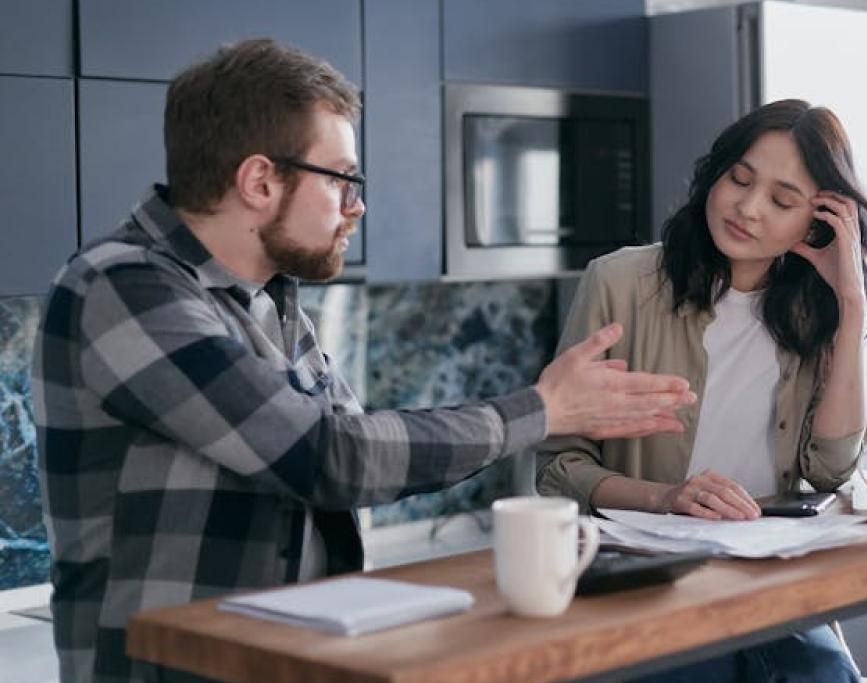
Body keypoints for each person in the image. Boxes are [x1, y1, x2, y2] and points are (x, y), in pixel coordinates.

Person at [31, 39, 698, 683]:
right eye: (343, 178)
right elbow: (329, 456)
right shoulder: (121, 287)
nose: (358, 205)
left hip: (284, 655)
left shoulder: (271, 300)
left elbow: (358, 454)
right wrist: (542, 410)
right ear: (260, 180)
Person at [536, 99, 867, 682]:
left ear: (817, 223)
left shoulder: (811, 311)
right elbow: (556, 468)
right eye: (739, 179)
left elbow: (828, 471)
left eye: (781, 200)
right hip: (653, 580)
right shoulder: (619, 283)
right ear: (714, 176)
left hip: (770, 580)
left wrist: (850, 305)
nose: (747, 208)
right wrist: (667, 497)